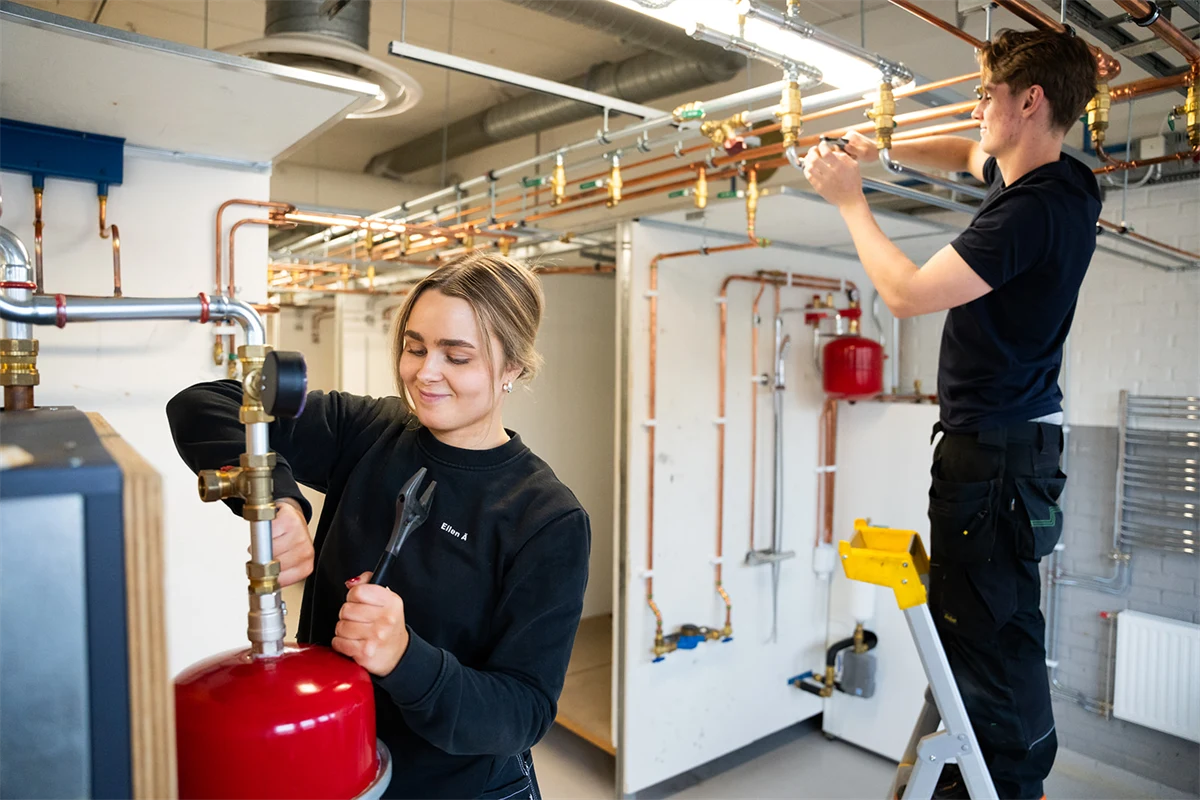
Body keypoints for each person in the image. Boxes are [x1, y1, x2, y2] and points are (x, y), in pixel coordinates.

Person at [167, 253, 590, 800]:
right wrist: (275, 497)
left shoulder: (546, 518)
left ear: (513, 368)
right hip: (339, 763)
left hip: (458, 787)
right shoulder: (368, 431)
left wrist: (405, 658)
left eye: (456, 356)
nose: (424, 372)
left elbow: (523, 711)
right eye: (415, 348)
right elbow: (205, 403)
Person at [803, 28, 1102, 800]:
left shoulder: (1027, 213)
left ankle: (995, 786)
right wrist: (888, 147)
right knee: (992, 631)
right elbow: (970, 155)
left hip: (994, 459)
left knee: (985, 639)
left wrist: (850, 199)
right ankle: (987, 775)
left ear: (1028, 100)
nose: (976, 109)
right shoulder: (1060, 183)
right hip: (1008, 450)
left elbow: (903, 294)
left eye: (984, 96)